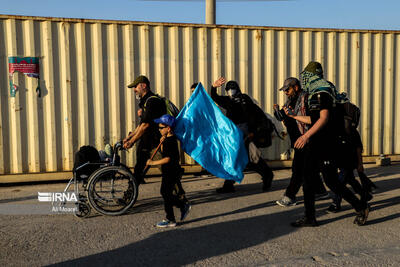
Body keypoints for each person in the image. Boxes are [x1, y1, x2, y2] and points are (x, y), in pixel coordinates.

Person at [289, 61, 369, 227]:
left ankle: (361, 206)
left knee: (329, 180)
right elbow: (314, 118)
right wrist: (294, 116)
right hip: (317, 141)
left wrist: (305, 136)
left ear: (311, 75)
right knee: (311, 180)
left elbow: (324, 118)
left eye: (305, 74)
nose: (303, 78)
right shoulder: (315, 91)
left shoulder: (322, 90)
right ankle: (310, 217)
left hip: (324, 143)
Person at [211, 77, 274, 193]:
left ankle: (267, 175)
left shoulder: (244, 99)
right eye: (229, 89)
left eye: (233, 89)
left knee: (250, 158)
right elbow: (215, 98)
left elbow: (253, 116)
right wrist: (214, 87)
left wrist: (252, 133)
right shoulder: (228, 101)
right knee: (234, 158)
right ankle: (228, 185)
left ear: (238, 89)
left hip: (247, 133)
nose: (231, 91)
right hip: (235, 134)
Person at [274, 77, 328, 207]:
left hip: (306, 139)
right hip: (297, 140)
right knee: (310, 169)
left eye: (288, 89)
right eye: (284, 90)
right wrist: (277, 112)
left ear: (296, 87)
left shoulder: (306, 99)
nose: (286, 92)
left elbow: (313, 119)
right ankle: (321, 191)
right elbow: (285, 117)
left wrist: (306, 136)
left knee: (298, 169)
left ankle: (290, 196)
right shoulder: (291, 101)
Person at [146, 114, 191, 228]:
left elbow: (167, 158)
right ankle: (181, 205)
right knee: (165, 193)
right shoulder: (168, 139)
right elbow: (165, 154)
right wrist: (162, 143)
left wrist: (152, 163)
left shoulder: (170, 141)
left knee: (166, 194)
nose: (159, 129)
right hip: (170, 171)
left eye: (161, 128)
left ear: (168, 128)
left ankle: (171, 218)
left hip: (171, 171)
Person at [123, 75, 167, 185]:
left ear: (144, 86)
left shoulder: (152, 101)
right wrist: (129, 137)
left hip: (154, 142)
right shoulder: (145, 102)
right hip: (146, 141)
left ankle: (180, 195)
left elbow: (146, 125)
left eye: (136, 87)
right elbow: (141, 125)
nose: (134, 90)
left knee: (167, 171)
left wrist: (132, 141)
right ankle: (130, 195)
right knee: (138, 169)